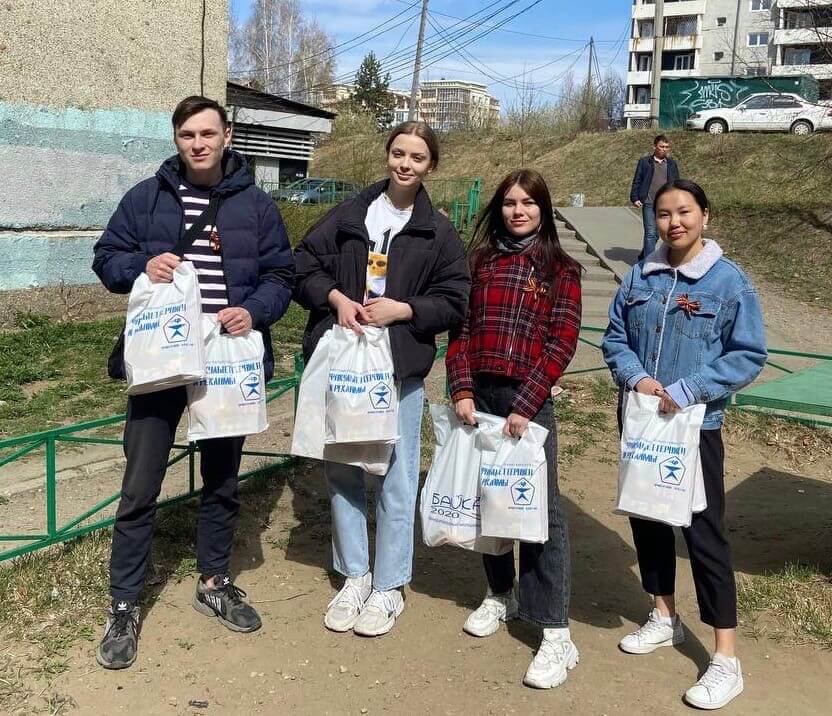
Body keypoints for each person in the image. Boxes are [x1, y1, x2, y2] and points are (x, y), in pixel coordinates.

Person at [91, 96, 295, 669]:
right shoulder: (147, 197)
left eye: (208, 133)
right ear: (176, 139)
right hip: (161, 360)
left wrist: (253, 310)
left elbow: (282, 274)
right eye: (187, 135)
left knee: (222, 479)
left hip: (226, 358)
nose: (198, 144)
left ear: (227, 136)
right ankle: (124, 604)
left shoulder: (257, 205)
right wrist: (141, 265)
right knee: (140, 484)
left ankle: (213, 582)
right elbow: (106, 258)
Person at [293, 121, 470, 637]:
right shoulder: (350, 215)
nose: (405, 164)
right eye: (398, 153)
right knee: (343, 468)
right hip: (346, 362)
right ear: (386, 155)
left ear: (430, 166)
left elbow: (455, 299)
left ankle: (389, 584)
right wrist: (336, 299)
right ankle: (354, 574)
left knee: (397, 474)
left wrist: (405, 309)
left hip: (398, 369)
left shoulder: (437, 232)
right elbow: (303, 264)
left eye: (417, 157)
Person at [602, 179, 767, 710]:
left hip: (695, 429)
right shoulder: (640, 275)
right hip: (642, 423)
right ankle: (663, 615)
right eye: (664, 213)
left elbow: (748, 354)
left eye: (684, 212)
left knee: (703, 533)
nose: (674, 222)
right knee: (647, 517)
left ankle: (725, 658)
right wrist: (637, 379)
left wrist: (690, 388)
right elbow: (615, 337)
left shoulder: (729, 282)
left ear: (705, 216)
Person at [446, 169, 583, 689]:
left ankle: (554, 629)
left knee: (539, 509)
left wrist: (527, 403)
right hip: (479, 397)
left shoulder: (560, 269)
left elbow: (562, 341)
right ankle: (500, 593)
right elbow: (460, 330)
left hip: (528, 401)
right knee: (489, 500)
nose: (518, 211)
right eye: (509, 202)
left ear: (543, 210)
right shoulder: (479, 263)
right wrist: (461, 388)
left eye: (528, 202)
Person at [629, 135, 679, 260]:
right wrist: (635, 197)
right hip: (649, 202)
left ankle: (643, 256)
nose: (664, 149)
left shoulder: (671, 164)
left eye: (667, 147)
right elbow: (637, 180)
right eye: (662, 146)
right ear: (655, 147)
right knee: (650, 233)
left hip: (665, 205)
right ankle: (649, 263)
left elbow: (677, 183)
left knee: (657, 234)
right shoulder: (645, 162)